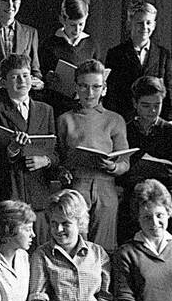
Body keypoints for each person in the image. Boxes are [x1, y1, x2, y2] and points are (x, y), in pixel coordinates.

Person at [0, 53, 59, 249]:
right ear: (4, 82)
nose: (22, 80)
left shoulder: (45, 110)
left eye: (25, 75)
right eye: (15, 77)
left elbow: (56, 153)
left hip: (38, 194)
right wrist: (12, 150)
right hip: (9, 190)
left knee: (40, 252)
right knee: (10, 249)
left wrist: (46, 160)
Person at [56, 59, 131, 249]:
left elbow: (125, 161)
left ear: (104, 89)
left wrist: (114, 167)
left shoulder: (115, 120)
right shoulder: (65, 119)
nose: (90, 93)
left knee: (103, 249)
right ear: (76, 87)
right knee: (74, 245)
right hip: (76, 186)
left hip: (106, 187)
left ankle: (101, 279)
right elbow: (58, 157)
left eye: (96, 87)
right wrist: (61, 171)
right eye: (84, 86)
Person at [27, 189, 111, 301]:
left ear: (79, 223)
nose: (58, 229)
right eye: (53, 223)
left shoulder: (98, 253)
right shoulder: (41, 255)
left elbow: (105, 300)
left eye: (65, 223)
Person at [115, 75, 172, 244]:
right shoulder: (125, 130)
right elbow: (119, 170)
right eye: (145, 106)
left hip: (163, 200)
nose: (152, 111)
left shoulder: (171, 132)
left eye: (157, 105)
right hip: (132, 202)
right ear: (135, 104)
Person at [104, 1, 172, 120]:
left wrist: (171, 118)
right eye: (139, 23)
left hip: (154, 119)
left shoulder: (163, 54)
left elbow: (170, 89)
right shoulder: (115, 54)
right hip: (125, 119)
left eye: (148, 23)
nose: (144, 27)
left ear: (154, 25)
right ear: (129, 24)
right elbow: (111, 92)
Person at [38, 0, 101, 116]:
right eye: (73, 25)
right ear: (63, 19)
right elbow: (40, 74)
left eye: (81, 24)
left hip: (84, 107)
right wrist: (48, 77)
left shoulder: (92, 44)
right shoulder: (49, 44)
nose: (77, 30)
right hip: (57, 106)